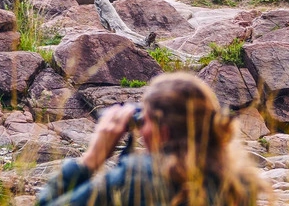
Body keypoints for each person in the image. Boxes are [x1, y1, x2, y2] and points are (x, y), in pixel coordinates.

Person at [36, 72, 270, 206]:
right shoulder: (238, 183)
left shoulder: (137, 179)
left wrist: (90, 160)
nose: (141, 130)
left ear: (163, 131)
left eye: (144, 121)